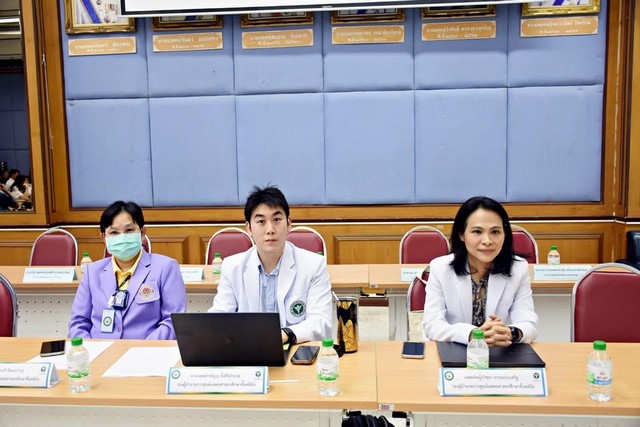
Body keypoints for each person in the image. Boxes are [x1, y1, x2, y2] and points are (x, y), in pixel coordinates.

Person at [208, 185, 333, 345]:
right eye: (261, 221)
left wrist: (285, 335)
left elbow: (321, 322)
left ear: (289, 224)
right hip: (249, 350)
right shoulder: (232, 267)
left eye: (277, 220)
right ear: (248, 228)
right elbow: (219, 317)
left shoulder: (313, 265)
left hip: (295, 349)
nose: (270, 229)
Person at [423, 196, 538, 347]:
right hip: (454, 349)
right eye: (477, 231)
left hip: (499, 350)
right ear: (461, 234)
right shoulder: (440, 268)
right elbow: (432, 325)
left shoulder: (518, 268)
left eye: (495, 232)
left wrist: (509, 332)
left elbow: (529, 323)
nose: (487, 241)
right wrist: (472, 334)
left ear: (505, 234)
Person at [68, 201, 186, 339]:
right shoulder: (92, 272)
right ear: (103, 237)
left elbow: (173, 321)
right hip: (100, 351)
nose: (122, 237)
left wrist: (142, 349)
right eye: (114, 232)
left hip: (147, 350)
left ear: (142, 233)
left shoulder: (165, 268)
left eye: (129, 230)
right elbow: (78, 323)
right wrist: (91, 350)